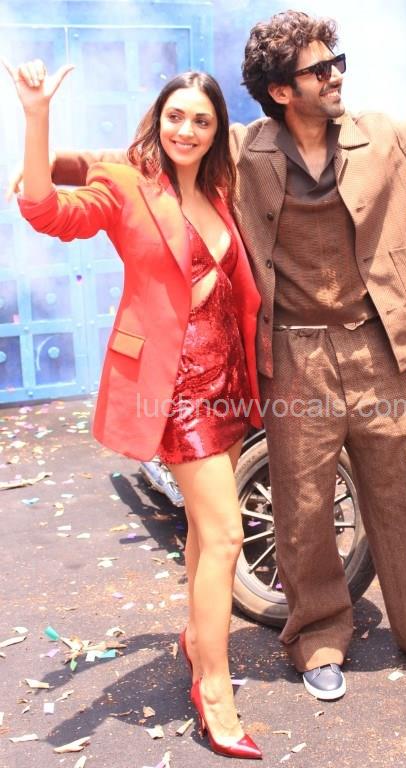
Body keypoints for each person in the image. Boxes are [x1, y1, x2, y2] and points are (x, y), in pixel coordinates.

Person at [18, 9, 406, 701]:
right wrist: (43, 164)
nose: (336, 76)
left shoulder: (384, 135)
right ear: (280, 90)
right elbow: (138, 159)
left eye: (337, 62)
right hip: (294, 354)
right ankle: (318, 636)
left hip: (375, 346)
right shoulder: (242, 149)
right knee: (302, 504)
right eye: (319, 68)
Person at [4, 58, 263, 758]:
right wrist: (36, 116)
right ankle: (213, 690)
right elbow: (45, 210)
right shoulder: (125, 184)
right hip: (174, 387)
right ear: (158, 119)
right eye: (176, 116)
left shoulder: (220, 189)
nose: (187, 129)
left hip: (228, 376)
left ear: (216, 132)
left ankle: (195, 637)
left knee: (207, 534)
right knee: (227, 537)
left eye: (201, 120)